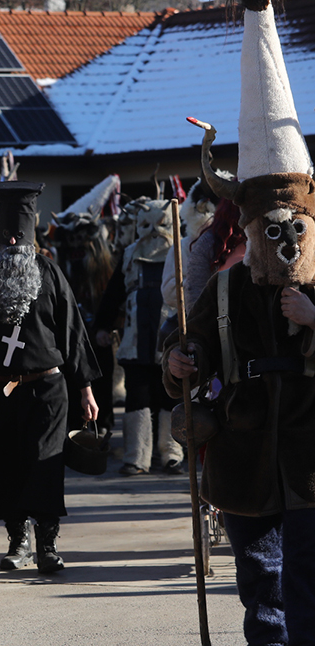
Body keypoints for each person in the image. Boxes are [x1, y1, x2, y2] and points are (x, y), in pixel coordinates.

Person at [165, 0, 315, 646]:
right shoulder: (224, 286)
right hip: (247, 438)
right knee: (258, 558)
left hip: (312, 438)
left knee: (311, 556)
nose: (284, 242)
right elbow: (186, 344)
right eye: (269, 230)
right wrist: (179, 357)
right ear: (246, 230)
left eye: (296, 230)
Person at [0, 182, 99, 574]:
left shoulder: (51, 274)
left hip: (47, 389)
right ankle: (18, 539)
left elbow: (73, 335)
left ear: (30, 236)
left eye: (19, 237)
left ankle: (47, 542)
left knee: (44, 461)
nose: (14, 245)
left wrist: (86, 389)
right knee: (4, 463)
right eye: (9, 238)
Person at [94, 197, 183, 475]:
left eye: (161, 224)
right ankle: (136, 457)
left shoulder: (181, 252)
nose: (155, 231)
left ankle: (172, 453)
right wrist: (102, 327)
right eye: (147, 225)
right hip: (135, 343)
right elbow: (113, 294)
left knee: (171, 398)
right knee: (137, 400)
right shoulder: (131, 253)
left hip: (171, 341)